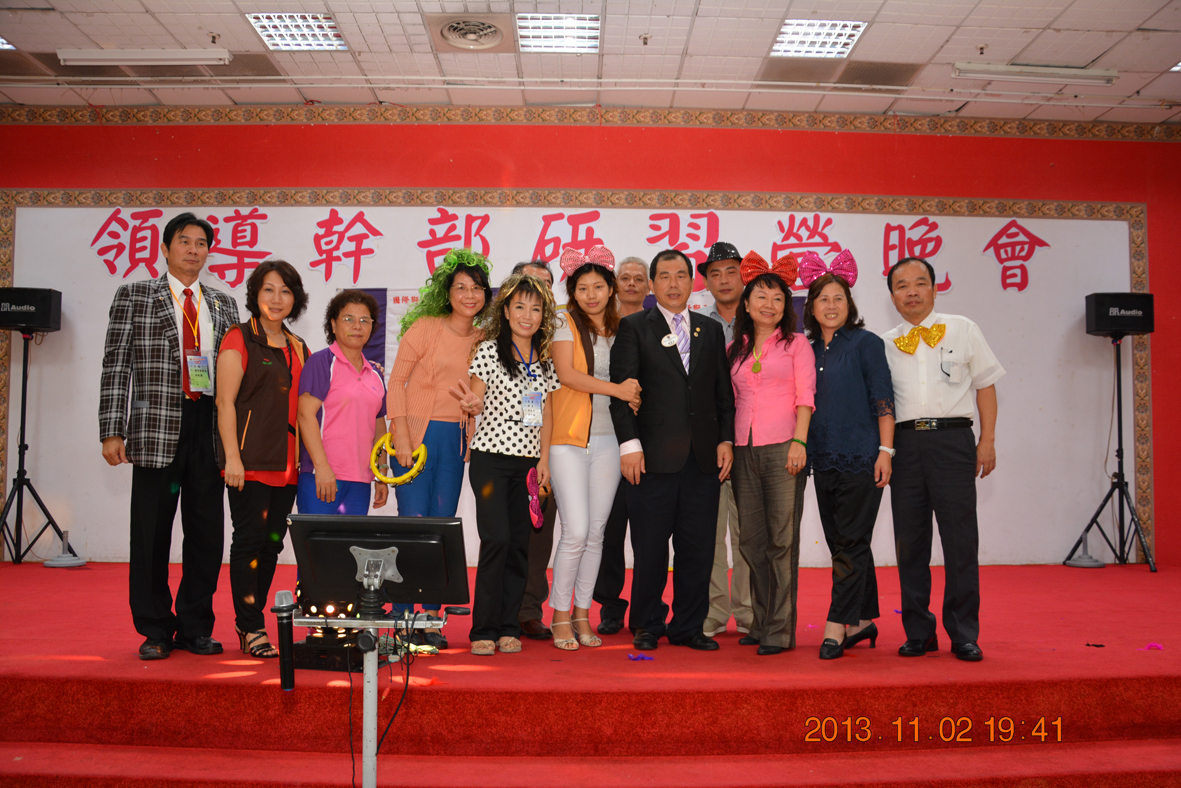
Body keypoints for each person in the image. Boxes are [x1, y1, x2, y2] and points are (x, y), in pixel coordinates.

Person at [100, 212, 240, 660]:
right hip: (156, 428)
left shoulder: (224, 304)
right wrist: (111, 430)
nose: (193, 250)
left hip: (209, 428)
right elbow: (115, 364)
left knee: (206, 535)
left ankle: (196, 626)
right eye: (184, 241)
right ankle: (155, 628)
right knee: (151, 534)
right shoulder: (136, 295)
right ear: (165, 248)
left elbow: (234, 377)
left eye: (201, 243)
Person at [610, 249, 735, 651]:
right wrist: (629, 445)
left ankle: (688, 626)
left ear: (692, 282)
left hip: (703, 459)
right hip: (650, 459)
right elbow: (621, 393)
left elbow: (723, 393)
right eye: (664, 276)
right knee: (650, 549)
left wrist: (726, 439)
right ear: (652, 284)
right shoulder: (633, 327)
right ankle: (647, 624)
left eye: (681, 275)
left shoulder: (709, 330)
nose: (673, 283)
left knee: (697, 549)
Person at [882, 257, 1004, 662]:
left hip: (953, 442)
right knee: (910, 543)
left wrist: (987, 440)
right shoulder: (884, 344)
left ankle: (964, 632)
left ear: (935, 289)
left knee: (960, 541)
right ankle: (918, 632)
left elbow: (986, 385)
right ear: (892, 297)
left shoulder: (963, 328)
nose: (911, 292)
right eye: (902, 286)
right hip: (905, 446)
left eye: (920, 283)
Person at [386, 248, 493, 649]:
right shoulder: (426, 328)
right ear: (446, 293)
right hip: (416, 435)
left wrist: (476, 406)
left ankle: (429, 617)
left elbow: (483, 392)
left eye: (477, 288)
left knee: (439, 527)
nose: (469, 295)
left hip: (455, 441)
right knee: (412, 522)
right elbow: (396, 383)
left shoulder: (485, 339)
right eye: (461, 287)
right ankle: (401, 614)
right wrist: (401, 433)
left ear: (485, 295)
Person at [799, 251, 895, 660]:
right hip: (821, 460)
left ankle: (837, 625)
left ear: (849, 304)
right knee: (843, 542)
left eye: (839, 298)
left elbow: (884, 400)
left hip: (861, 458)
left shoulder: (866, 343)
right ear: (811, 307)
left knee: (850, 542)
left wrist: (886, 451)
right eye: (823, 299)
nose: (831, 305)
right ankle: (862, 621)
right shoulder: (805, 349)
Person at [458, 273, 561, 655]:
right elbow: (475, 400)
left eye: (535, 309)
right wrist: (471, 405)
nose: (527, 315)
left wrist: (544, 459)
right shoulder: (488, 351)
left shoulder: (545, 360)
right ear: (505, 311)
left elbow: (546, 413)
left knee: (519, 545)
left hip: (528, 465)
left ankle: (507, 626)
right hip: (490, 460)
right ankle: (482, 629)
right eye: (519, 307)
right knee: (497, 540)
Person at [547, 246, 641, 650]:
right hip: (568, 440)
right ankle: (559, 615)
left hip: (610, 440)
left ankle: (582, 614)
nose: (591, 294)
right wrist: (618, 389)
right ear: (573, 291)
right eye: (582, 287)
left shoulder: (625, 329)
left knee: (598, 533)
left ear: (611, 289)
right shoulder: (562, 322)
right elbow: (567, 374)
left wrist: (634, 394)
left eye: (598, 287)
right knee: (576, 531)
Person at [215, 260, 310, 659]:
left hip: (288, 465)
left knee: (271, 546)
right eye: (268, 289)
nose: (277, 298)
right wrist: (232, 458)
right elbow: (224, 402)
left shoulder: (298, 346)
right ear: (255, 295)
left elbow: (306, 409)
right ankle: (250, 625)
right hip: (249, 462)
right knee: (249, 541)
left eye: (285, 291)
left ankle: (252, 621)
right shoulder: (238, 337)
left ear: (296, 299)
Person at [726, 252, 815, 656]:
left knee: (782, 541)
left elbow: (805, 396)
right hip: (744, 450)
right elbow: (729, 400)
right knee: (751, 541)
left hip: (784, 448)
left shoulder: (797, 344)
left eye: (778, 298)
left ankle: (779, 630)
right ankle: (761, 622)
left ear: (786, 307)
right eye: (761, 297)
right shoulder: (734, 348)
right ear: (746, 304)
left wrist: (800, 442)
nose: (769, 304)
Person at [296, 289, 389, 519]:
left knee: (350, 542)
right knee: (317, 541)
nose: (357, 326)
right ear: (334, 324)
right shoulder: (321, 362)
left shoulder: (375, 373)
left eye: (364, 320)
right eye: (349, 319)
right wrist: (322, 468)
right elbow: (305, 416)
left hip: (360, 482)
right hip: (322, 476)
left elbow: (379, 428)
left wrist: (381, 474)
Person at [592, 256, 648, 635]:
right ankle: (610, 606)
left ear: (648, 286)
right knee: (609, 532)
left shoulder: (657, 326)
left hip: (648, 445)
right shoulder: (600, 327)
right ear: (614, 285)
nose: (630, 284)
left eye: (638, 279)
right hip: (604, 441)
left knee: (647, 534)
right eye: (623, 278)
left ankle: (647, 609)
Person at [700, 241, 753, 638]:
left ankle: (749, 612)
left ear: (743, 276)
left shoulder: (763, 319)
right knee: (709, 533)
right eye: (715, 274)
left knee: (749, 532)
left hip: (753, 441)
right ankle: (714, 611)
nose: (723, 280)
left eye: (731, 271)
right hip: (709, 442)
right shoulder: (698, 326)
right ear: (705, 282)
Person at [510, 260, 561, 641]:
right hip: (503, 454)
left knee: (538, 533)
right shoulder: (496, 339)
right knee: (505, 537)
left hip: (549, 449)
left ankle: (528, 611)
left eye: (544, 286)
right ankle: (502, 611)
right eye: (528, 285)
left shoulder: (555, 340)